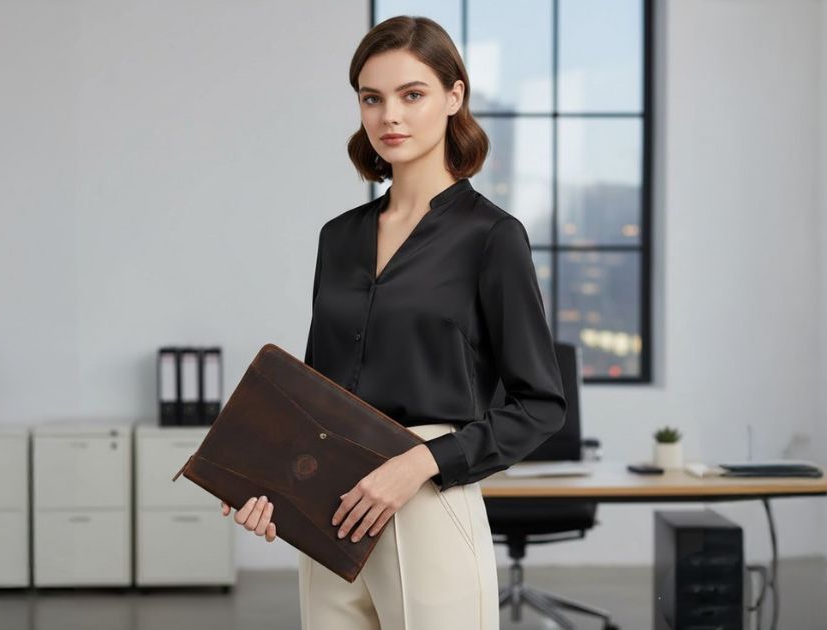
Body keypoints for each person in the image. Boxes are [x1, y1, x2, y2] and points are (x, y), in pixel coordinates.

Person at [219, 15, 566, 630]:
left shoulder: (491, 237)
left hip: (427, 501)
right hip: (331, 509)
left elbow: (540, 405)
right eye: (372, 98)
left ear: (454, 96)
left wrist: (421, 461)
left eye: (412, 94)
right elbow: (315, 397)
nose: (389, 117)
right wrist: (271, 483)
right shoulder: (340, 237)